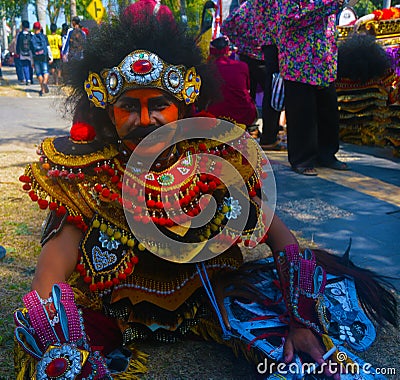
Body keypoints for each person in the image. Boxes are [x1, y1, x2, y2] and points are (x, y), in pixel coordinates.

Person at [14, 9, 397, 379]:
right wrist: (59, 348)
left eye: (160, 105)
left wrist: (300, 320)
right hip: (119, 318)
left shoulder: (213, 160)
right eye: (129, 106)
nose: (145, 120)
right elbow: (49, 278)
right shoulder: (89, 175)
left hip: (207, 304)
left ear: (182, 109)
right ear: (107, 113)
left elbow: (279, 238)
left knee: (302, 351)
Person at [276, 0, 350, 175]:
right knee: (302, 112)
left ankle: (327, 154)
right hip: (299, 57)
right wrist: (327, 4)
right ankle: (302, 159)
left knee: (328, 110)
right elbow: (289, 18)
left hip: (324, 57)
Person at [222, 0, 283, 150]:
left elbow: (227, 26)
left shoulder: (248, 6)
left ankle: (250, 130)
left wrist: (240, 42)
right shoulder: (266, 5)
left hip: (248, 55)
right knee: (271, 96)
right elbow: (227, 26)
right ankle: (268, 136)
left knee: (248, 96)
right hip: (263, 57)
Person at [206, 35, 257, 129]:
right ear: (228, 51)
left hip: (216, 115)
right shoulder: (242, 66)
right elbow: (247, 88)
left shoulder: (207, 68)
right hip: (244, 115)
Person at [30, 21, 52, 96]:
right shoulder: (44, 37)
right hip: (44, 56)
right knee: (45, 71)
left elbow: (31, 52)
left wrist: (31, 61)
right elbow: (48, 48)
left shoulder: (32, 38)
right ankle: (45, 82)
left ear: (33, 28)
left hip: (36, 57)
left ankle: (42, 89)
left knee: (39, 73)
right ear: (40, 28)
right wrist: (51, 57)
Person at [16, 20, 33, 85]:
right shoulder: (31, 34)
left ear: (23, 26)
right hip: (30, 53)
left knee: (25, 66)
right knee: (30, 66)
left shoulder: (20, 34)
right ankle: (31, 79)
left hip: (22, 53)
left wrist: (17, 52)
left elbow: (18, 44)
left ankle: (27, 79)